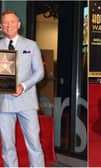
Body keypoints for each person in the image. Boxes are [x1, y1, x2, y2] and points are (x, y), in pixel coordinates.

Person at [0, 10, 45, 166]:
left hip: (27, 101)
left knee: (34, 142)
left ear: (19, 24)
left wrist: (23, 86)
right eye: (5, 22)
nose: (8, 25)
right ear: (1, 26)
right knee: (7, 145)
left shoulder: (31, 45)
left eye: (12, 22)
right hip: (4, 102)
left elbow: (40, 72)